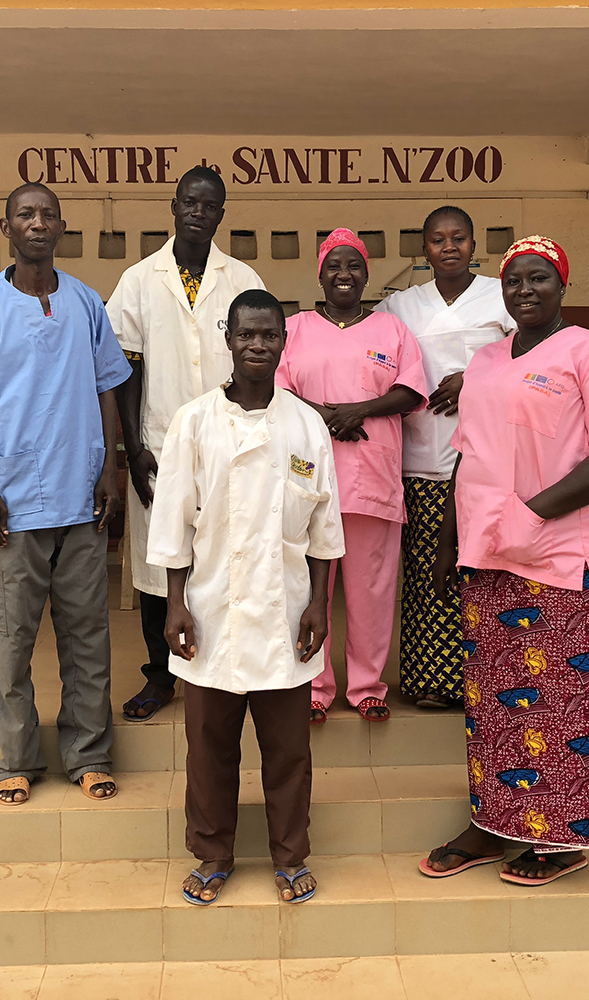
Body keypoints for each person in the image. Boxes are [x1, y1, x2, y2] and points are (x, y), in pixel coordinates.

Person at [419, 236, 589, 885]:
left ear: (562, 285)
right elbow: (469, 454)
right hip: (486, 558)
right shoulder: (485, 361)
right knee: (492, 701)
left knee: (567, 702)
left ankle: (563, 837)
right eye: (514, 279)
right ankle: (494, 824)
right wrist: (445, 543)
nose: (525, 289)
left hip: (558, 560)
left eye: (538, 278)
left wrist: (531, 514)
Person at [0, 182, 129, 806]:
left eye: (47, 215)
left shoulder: (87, 304)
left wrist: (111, 473)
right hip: (11, 510)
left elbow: (108, 391)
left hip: (80, 503)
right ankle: (16, 760)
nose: (37, 223)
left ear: (61, 227)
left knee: (87, 640)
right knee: (12, 643)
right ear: (7, 227)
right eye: (25, 215)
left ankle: (88, 756)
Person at [148, 289, 344, 907]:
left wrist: (318, 605)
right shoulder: (194, 421)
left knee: (288, 750)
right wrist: (175, 603)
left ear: (283, 342)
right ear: (227, 339)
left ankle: (290, 856)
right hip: (209, 610)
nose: (258, 345)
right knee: (209, 749)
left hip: (287, 611)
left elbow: (324, 528)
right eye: (247, 334)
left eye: (270, 335)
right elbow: (172, 522)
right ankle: (213, 853)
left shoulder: (305, 425)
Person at [108, 167, 267, 723]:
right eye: (190, 203)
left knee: (228, 555)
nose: (199, 212)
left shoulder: (241, 277)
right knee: (161, 561)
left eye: (211, 205)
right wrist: (134, 447)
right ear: (173, 207)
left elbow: (260, 356)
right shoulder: (139, 279)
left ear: (222, 213)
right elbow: (124, 367)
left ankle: (220, 662)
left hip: (233, 444)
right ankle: (161, 674)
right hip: (159, 445)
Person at [276, 229, 426, 723]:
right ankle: (314, 687)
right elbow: (274, 388)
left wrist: (358, 410)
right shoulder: (294, 328)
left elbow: (409, 390)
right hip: (308, 480)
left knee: (372, 588)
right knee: (306, 587)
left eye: (354, 266)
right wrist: (323, 413)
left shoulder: (392, 331)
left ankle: (366, 687)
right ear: (320, 274)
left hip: (371, 479)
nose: (344, 274)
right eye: (334, 266)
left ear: (367, 275)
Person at [375, 206, 515, 709]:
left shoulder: (502, 296)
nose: (449, 246)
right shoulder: (398, 307)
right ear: (425, 248)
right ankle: (431, 681)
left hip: (486, 460)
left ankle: (490, 678)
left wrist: (471, 381)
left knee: (483, 567)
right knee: (423, 572)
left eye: (459, 238)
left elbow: (528, 360)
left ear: (474, 245)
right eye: (438, 239)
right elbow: (380, 368)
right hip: (418, 455)